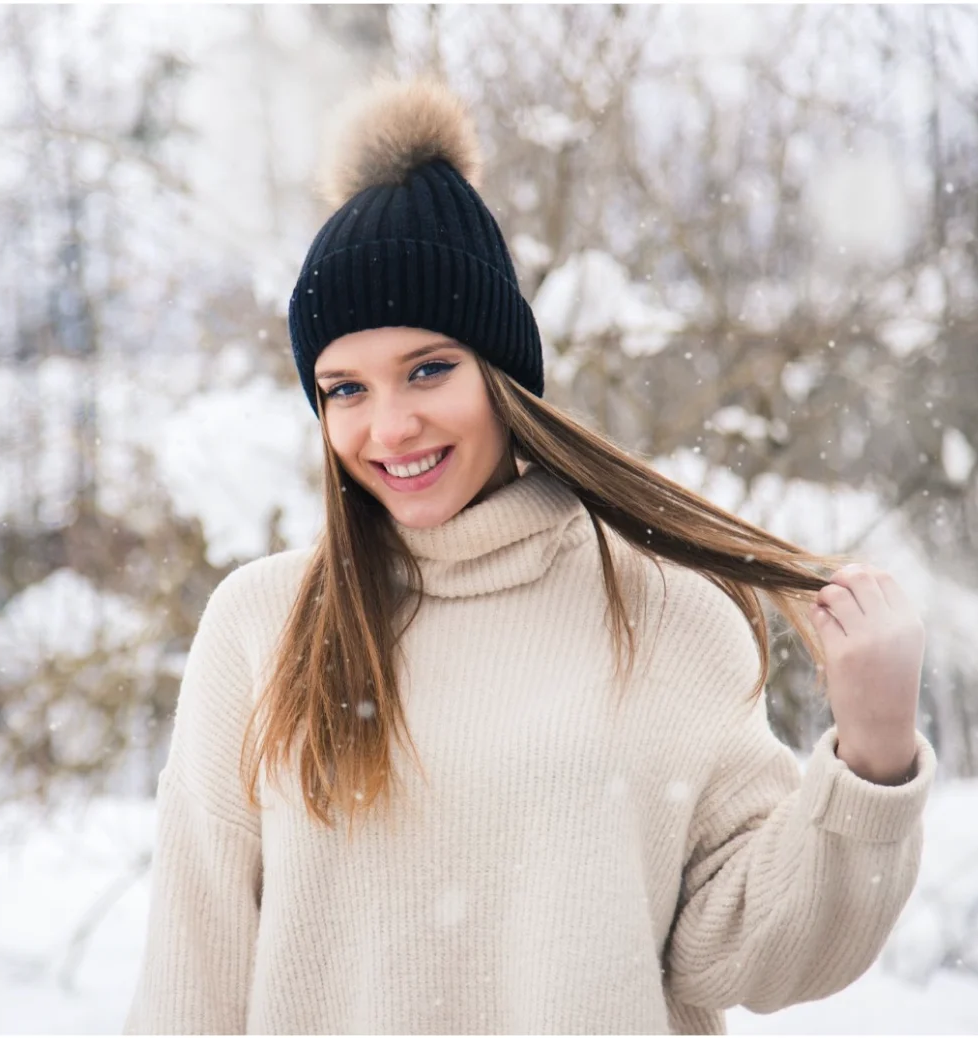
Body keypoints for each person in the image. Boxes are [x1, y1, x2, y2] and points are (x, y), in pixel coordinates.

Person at [124, 80, 932, 1035]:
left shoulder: (665, 613)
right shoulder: (262, 628)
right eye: (345, 388)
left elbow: (750, 947)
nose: (389, 426)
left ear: (505, 375)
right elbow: (193, 975)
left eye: (429, 369)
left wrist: (875, 752)